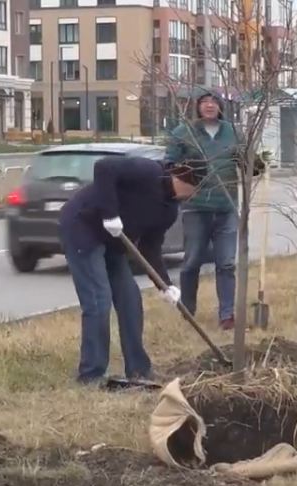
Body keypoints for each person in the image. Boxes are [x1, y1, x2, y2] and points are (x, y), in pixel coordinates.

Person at [58, 156, 205, 385]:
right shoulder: (148, 171)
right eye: (195, 188)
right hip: (82, 226)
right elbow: (104, 167)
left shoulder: (169, 211)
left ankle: (138, 369)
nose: (193, 195)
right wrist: (110, 214)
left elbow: (150, 248)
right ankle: (91, 374)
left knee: (130, 300)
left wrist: (165, 285)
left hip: (113, 242)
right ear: (183, 178)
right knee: (99, 300)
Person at [165, 92, 241, 330]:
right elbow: (169, 164)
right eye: (204, 102)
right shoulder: (183, 133)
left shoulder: (233, 132)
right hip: (196, 208)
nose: (210, 105)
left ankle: (227, 315)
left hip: (226, 206)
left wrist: (258, 165)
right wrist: (187, 176)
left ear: (220, 106)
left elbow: (247, 163)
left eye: (214, 102)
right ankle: (188, 311)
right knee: (192, 262)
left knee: (227, 263)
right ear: (197, 107)